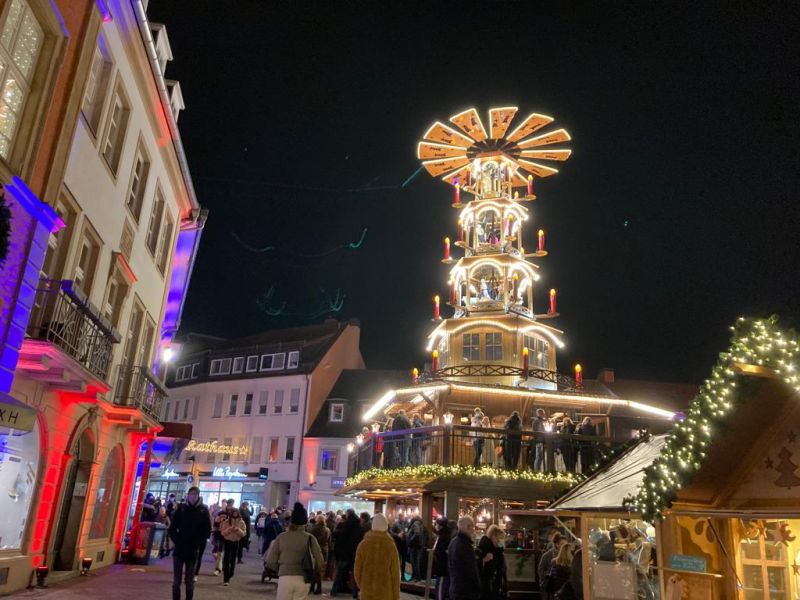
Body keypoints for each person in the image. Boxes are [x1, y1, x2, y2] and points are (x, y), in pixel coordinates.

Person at [266, 502, 325, 600]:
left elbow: (271, 561)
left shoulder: (282, 537)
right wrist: (314, 571)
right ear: (305, 521)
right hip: (303, 577)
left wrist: (279, 569)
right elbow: (320, 560)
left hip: (285, 576)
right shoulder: (310, 538)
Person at [168, 486, 211, 600]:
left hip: (193, 550)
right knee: (176, 580)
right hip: (179, 549)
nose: (192, 496)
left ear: (198, 496)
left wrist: (198, 542)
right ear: (188, 495)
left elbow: (207, 530)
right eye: (191, 494)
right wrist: (176, 540)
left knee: (189, 581)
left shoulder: (203, 510)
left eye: (195, 494)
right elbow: (172, 528)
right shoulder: (181, 508)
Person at [354, 513, 401, 600]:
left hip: (367, 592)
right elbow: (395, 574)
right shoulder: (391, 546)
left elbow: (357, 571)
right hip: (385, 593)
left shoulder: (363, 545)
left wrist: (363, 585)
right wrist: (396, 596)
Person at [447, 516, 481, 600]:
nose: (473, 530)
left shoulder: (453, 542)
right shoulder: (465, 545)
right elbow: (471, 569)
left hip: (455, 587)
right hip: (465, 590)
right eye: (472, 527)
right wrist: (477, 587)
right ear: (468, 527)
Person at [332, 509, 363, 597]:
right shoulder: (359, 526)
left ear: (348, 515)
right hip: (354, 553)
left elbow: (342, 539)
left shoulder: (346, 525)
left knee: (339, 573)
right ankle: (355, 593)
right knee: (354, 574)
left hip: (345, 553)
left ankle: (334, 590)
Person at [477, 525, 506, 600]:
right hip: (486, 586)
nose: (500, 541)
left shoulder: (498, 550)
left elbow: (501, 569)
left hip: (495, 586)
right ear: (493, 536)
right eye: (499, 538)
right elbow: (475, 566)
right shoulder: (483, 548)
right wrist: (484, 560)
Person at [220, 506, 246, 586]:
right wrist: (230, 529)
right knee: (226, 559)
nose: (235, 514)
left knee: (233, 559)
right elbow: (223, 533)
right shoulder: (227, 522)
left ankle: (231, 572)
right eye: (234, 513)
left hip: (236, 542)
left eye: (236, 513)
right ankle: (226, 579)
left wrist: (238, 530)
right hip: (228, 541)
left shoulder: (241, 522)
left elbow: (244, 533)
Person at [537, 533, 566, 600]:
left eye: (565, 544)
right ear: (557, 545)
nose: (564, 546)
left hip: (561, 586)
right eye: (562, 544)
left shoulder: (566, 555)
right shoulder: (548, 555)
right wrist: (546, 579)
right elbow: (541, 569)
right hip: (550, 586)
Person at [432, 517, 454, 600]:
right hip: (444, 566)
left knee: (440, 587)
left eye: (436, 524)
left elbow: (441, 551)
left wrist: (436, 552)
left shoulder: (443, 536)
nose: (435, 526)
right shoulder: (445, 535)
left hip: (442, 566)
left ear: (440, 525)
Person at [310, 515, 331, 594]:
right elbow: (329, 541)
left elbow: (311, 540)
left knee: (314, 569)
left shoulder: (314, 529)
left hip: (316, 549)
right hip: (325, 550)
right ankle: (317, 587)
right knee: (320, 569)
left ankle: (314, 587)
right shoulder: (327, 529)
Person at [406, 514, 426, 582]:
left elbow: (417, 533)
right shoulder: (420, 524)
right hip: (418, 546)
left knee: (414, 562)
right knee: (416, 562)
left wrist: (410, 540)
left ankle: (416, 577)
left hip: (414, 546)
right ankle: (417, 577)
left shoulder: (415, 524)